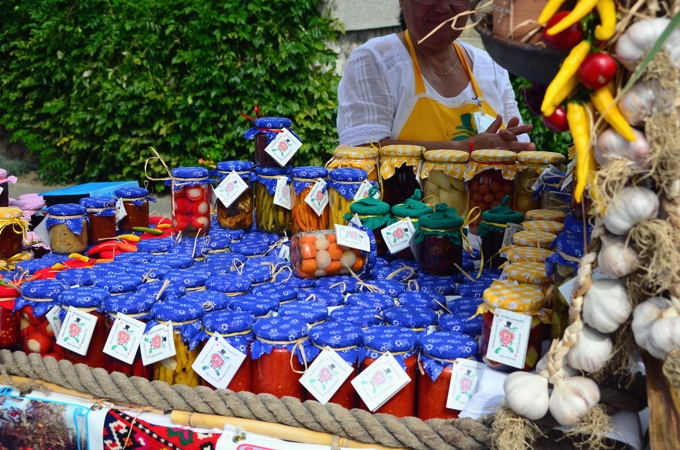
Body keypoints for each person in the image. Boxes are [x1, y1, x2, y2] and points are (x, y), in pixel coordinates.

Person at [336, 0, 535, 152]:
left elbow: (520, 144)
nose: (442, 7)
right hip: (405, 206)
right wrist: (464, 150)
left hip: (492, 206)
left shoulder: (491, 66)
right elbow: (363, 152)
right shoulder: (376, 60)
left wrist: (510, 148)